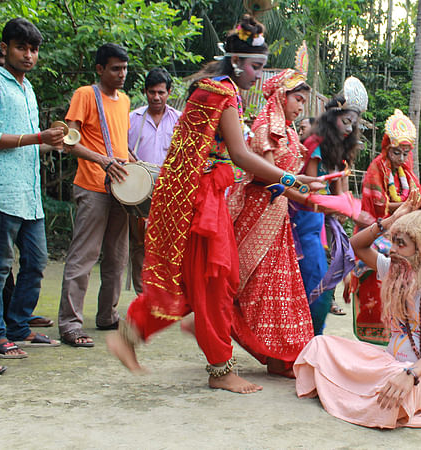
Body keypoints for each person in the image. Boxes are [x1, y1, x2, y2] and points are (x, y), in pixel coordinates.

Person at [107, 16, 320, 393]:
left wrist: (289, 180)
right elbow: (239, 154)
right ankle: (220, 370)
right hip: (202, 200)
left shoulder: (217, 90)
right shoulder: (220, 93)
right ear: (237, 62)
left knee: (199, 283)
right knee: (215, 282)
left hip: (205, 196)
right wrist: (288, 179)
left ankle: (130, 334)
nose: (258, 74)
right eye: (255, 66)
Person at [294, 194, 421, 429]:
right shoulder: (393, 269)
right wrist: (388, 222)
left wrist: (410, 375)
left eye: (401, 244)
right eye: (393, 241)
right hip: (388, 366)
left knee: (394, 391)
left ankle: (355, 392)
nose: (392, 250)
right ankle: (366, 391)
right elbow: (356, 245)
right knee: (320, 345)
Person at [227, 68, 317, 377]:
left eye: (304, 102)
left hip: (278, 214)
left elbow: (288, 180)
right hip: (259, 212)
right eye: (298, 99)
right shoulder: (267, 125)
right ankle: (272, 354)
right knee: (258, 286)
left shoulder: (289, 130)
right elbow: (269, 179)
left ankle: (281, 357)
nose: (300, 107)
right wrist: (305, 194)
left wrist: (306, 189)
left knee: (281, 287)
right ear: (282, 95)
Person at [0, 18, 65, 361]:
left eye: (33, 49)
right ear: (5, 48)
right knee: (0, 266)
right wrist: (38, 137)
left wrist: (54, 142)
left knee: (36, 262)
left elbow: (30, 143)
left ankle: (18, 326)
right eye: (21, 47)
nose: (28, 55)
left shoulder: (28, 88)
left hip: (30, 195)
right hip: (2, 192)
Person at [59, 43, 132, 347]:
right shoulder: (85, 95)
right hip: (91, 186)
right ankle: (70, 324)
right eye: (115, 68)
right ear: (100, 69)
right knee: (84, 255)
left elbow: (120, 144)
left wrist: (134, 164)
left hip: (120, 188)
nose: (122, 74)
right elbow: (68, 141)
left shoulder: (125, 100)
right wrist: (103, 161)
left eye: (125, 68)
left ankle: (107, 315)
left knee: (117, 257)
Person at [295, 88, 365, 335]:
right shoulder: (314, 145)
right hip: (303, 221)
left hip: (322, 223)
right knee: (317, 289)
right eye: (345, 122)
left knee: (321, 287)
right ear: (331, 118)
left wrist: (346, 206)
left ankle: (313, 342)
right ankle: (310, 343)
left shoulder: (339, 150)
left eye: (352, 124)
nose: (348, 129)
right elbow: (312, 193)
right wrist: (349, 208)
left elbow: (340, 191)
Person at [351, 109, 421, 343]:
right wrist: (405, 206)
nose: (401, 158)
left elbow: (414, 195)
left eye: (405, 153)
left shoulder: (406, 173)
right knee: (386, 253)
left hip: (403, 228)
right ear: (387, 147)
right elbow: (379, 206)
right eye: (396, 152)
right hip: (378, 226)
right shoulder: (376, 168)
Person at [126, 67, 181, 294]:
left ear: (169, 92)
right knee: (139, 244)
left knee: (168, 242)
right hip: (139, 191)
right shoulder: (133, 119)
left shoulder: (180, 120)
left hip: (169, 191)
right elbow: (122, 149)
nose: (156, 97)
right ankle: (142, 295)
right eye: (151, 92)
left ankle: (164, 295)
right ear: (145, 92)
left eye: (161, 92)